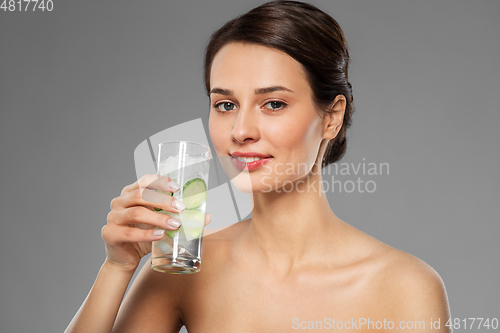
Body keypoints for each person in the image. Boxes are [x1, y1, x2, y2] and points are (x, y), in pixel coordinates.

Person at [65, 1, 451, 332]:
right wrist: (116, 268)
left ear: (331, 117)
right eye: (225, 105)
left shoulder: (404, 287)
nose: (241, 131)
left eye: (274, 104)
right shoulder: (183, 268)